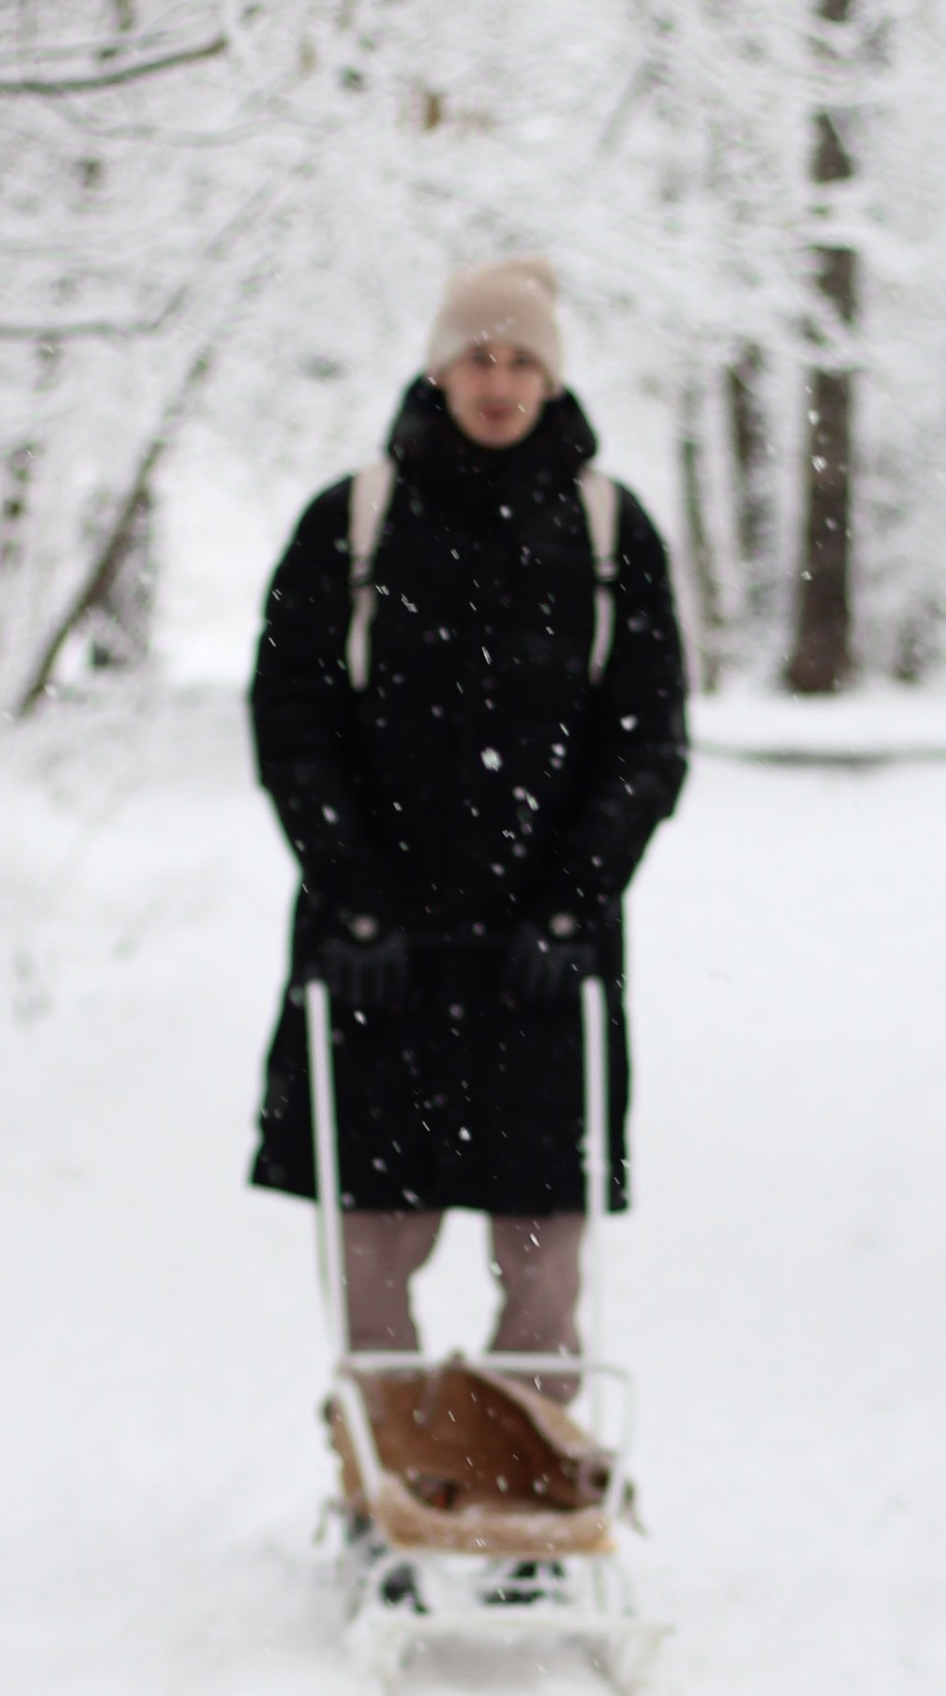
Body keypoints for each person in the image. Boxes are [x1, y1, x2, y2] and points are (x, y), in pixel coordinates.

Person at [248, 256, 688, 1366]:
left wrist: (572, 904)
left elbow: (647, 740)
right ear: (439, 370)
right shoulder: (351, 521)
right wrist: (354, 901)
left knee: (544, 1243)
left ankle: (531, 1469)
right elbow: (290, 721)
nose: (499, 382)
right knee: (373, 1240)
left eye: (522, 360)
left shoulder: (606, 532)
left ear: (552, 377)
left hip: (542, 954)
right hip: (376, 955)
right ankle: (383, 1481)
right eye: (478, 358)